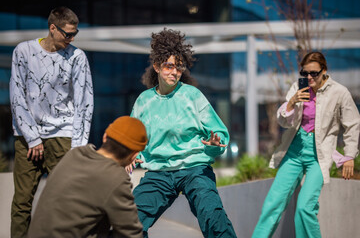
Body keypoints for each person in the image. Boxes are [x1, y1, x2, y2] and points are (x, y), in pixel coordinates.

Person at [128, 28, 237, 238]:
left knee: (213, 217)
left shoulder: (192, 95)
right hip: (159, 172)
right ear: (157, 66)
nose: (175, 72)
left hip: (194, 168)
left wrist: (215, 143)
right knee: (129, 222)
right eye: (169, 66)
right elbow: (133, 138)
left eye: (179, 67)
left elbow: (219, 133)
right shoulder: (144, 101)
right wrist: (130, 153)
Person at [252, 51, 360, 238]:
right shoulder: (297, 88)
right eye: (304, 73)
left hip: (319, 156)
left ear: (324, 71)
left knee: (304, 208)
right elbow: (283, 122)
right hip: (294, 152)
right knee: (273, 203)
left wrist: (349, 156)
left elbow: (352, 124)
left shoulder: (339, 92)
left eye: (314, 73)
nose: (309, 77)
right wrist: (291, 103)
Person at [9, 6, 93, 237]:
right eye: (67, 34)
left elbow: (85, 101)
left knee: (69, 202)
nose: (72, 38)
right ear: (52, 28)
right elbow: (17, 95)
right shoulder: (23, 51)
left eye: (75, 33)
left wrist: (78, 145)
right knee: (22, 203)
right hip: (27, 138)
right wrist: (33, 137)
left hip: (63, 136)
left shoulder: (77, 57)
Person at [27, 116, 146, 238]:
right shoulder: (115, 178)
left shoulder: (74, 155)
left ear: (105, 137)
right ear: (134, 155)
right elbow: (131, 233)